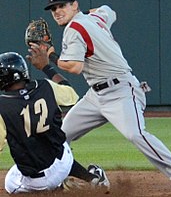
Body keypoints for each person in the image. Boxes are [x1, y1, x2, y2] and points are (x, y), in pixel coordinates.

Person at [32, 0, 171, 192]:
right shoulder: (96, 17)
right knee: (60, 135)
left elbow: (75, 67)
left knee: (135, 134)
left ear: (74, 5)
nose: (57, 11)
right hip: (95, 95)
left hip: (121, 91)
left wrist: (51, 56)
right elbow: (109, 10)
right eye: (53, 8)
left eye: (62, 5)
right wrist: (92, 13)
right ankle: (86, 177)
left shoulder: (73, 29)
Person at [0, 49, 110, 194]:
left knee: (10, 183)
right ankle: (92, 179)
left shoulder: (2, 106)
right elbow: (71, 94)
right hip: (64, 159)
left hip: (38, 180)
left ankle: (54, 190)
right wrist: (46, 67)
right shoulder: (46, 86)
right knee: (53, 140)